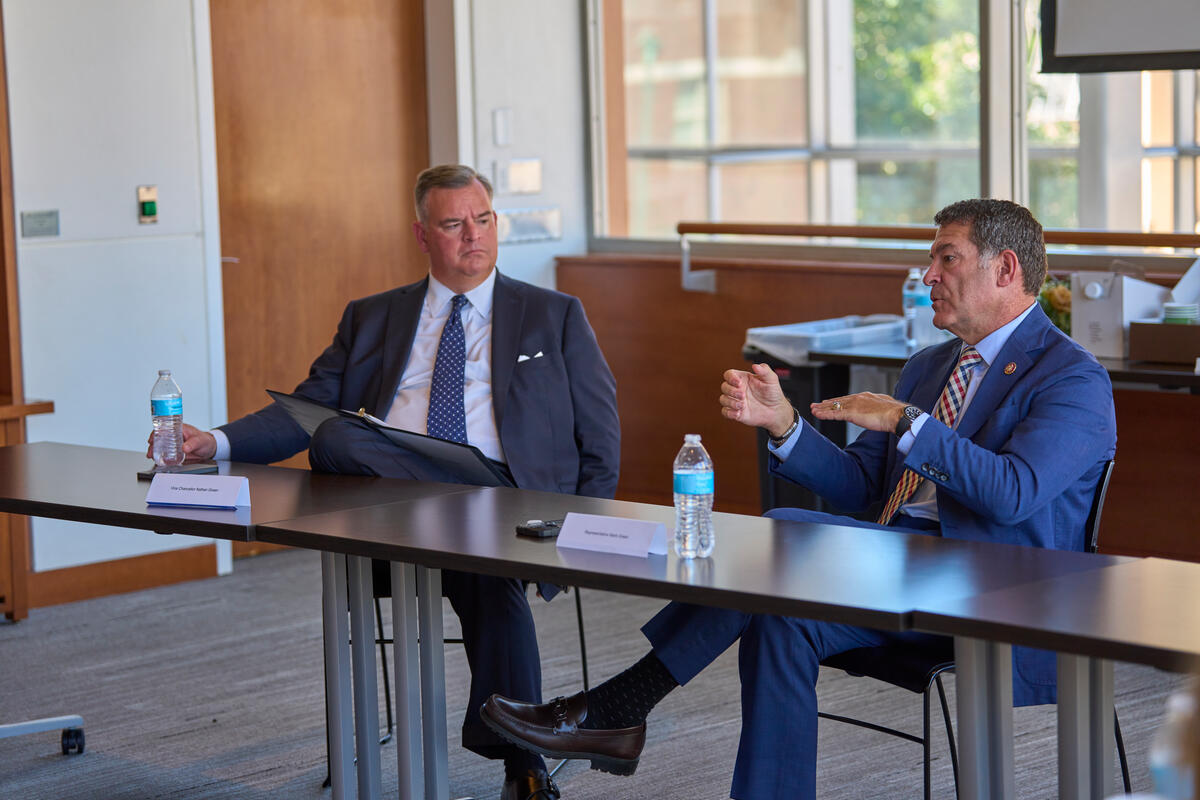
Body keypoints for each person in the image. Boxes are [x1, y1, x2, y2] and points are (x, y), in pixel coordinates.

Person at [480, 199, 1117, 799]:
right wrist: (785, 426)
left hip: (1002, 593)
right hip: (900, 574)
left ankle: (620, 706)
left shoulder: (1071, 376)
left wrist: (907, 423)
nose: (928, 275)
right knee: (780, 618)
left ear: (1005, 270)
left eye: (947, 258)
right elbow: (864, 488)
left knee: (782, 531)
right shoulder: (930, 366)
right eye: (931, 259)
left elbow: (1013, 494)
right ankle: (624, 716)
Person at [147, 164, 620, 800]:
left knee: (474, 546)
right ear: (422, 235)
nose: (473, 236)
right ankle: (525, 762)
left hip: (508, 498)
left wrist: (586, 528)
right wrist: (217, 442)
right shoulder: (372, 316)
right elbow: (306, 408)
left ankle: (523, 763)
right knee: (338, 437)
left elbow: (599, 427)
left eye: (483, 220)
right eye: (453, 224)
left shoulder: (553, 314)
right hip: (397, 511)